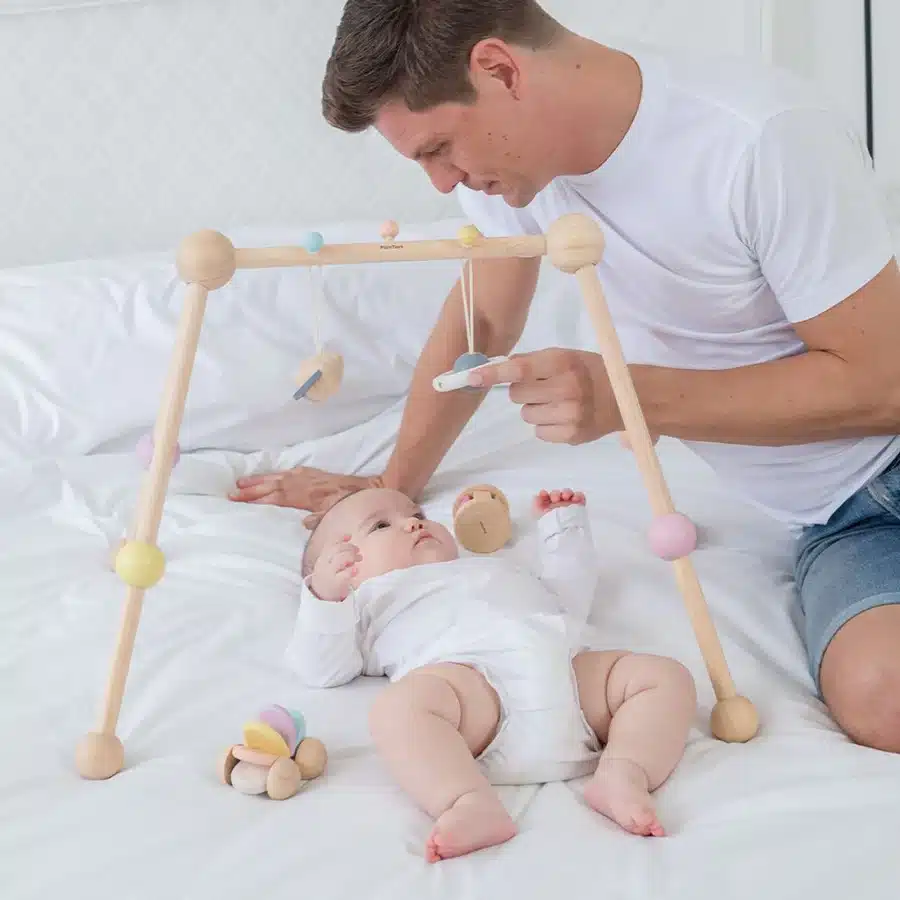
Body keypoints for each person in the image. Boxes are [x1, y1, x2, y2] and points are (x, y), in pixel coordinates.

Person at [230, 1, 900, 753]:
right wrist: (389, 492)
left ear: (499, 69)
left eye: (439, 149)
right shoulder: (511, 172)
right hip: (841, 517)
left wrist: (628, 398)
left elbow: (887, 386)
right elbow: (483, 323)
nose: (443, 183)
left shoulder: (761, 141)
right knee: (884, 700)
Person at [285, 484, 696, 861]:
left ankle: (624, 771)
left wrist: (562, 529)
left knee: (662, 676)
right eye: (380, 525)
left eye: (417, 514)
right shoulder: (366, 602)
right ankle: (465, 799)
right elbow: (323, 669)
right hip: (475, 698)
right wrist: (325, 599)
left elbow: (568, 599)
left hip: (569, 679)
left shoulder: (497, 567)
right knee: (398, 710)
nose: (412, 523)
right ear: (341, 567)